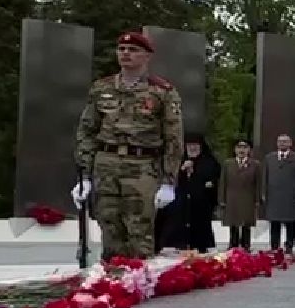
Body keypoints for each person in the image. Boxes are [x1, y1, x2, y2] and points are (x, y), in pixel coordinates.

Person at [73, 31, 184, 261]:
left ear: (147, 56)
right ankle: (112, 284)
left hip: (142, 166)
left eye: (133, 50)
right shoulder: (101, 88)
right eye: (122, 49)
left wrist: (168, 181)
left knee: (139, 230)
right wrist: (84, 174)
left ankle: (137, 283)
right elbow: (87, 130)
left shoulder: (162, 92)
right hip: (106, 164)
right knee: (109, 225)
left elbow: (173, 137)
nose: (126, 54)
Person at [173, 135, 220, 252]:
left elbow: (214, 179)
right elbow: (174, 179)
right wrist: (183, 170)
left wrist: (196, 174)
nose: (192, 148)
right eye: (189, 145)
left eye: (195, 145)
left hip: (201, 202)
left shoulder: (209, 161)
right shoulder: (180, 160)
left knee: (201, 226)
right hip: (183, 203)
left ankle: (202, 247)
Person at [261, 134, 295, 253]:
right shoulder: (269, 158)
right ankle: (274, 246)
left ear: (290, 143)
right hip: (273, 194)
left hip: (290, 195)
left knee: (290, 222)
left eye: (285, 142)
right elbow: (265, 176)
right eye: (280, 141)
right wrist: (264, 192)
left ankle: (289, 245)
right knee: (274, 222)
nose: (282, 144)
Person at [219, 139, 260, 250]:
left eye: (245, 147)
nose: (242, 150)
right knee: (233, 223)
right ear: (235, 150)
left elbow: (258, 183)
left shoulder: (255, 164)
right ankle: (233, 244)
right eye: (239, 147)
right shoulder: (228, 164)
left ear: (249, 150)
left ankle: (246, 245)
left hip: (248, 197)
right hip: (231, 197)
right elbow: (223, 182)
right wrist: (222, 199)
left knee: (247, 223)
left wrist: (257, 199)